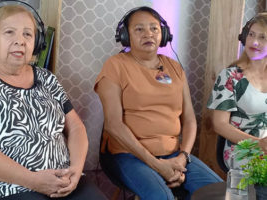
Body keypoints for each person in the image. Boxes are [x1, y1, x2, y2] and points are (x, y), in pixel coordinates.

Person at [0, 2, 107, 200]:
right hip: (6, 188)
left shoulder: (47, 78)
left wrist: (75, 170)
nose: (20, 41)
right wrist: (32, 180)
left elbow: (75, 127)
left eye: (27, 34)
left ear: (38, 42)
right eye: (9, 32)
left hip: (62, 181)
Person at [94, 6, 222, 200]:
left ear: (164, 34)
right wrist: (158, 166)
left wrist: (182, 158)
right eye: (139, 29)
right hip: (128, 155)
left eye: (154, 28)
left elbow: (189, 120)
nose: (148, 34)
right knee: (161, 197)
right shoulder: (115, 66)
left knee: (219, 193)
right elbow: (113, 125)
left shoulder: (175, 67)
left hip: (174, 155)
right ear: (125, 35)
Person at [207, 12, 267, 168]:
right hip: (242, 151)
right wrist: (258, 144)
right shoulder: (230, 76)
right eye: (251, 35)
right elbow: (219, 125)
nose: (254, 42)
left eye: (262, 37)